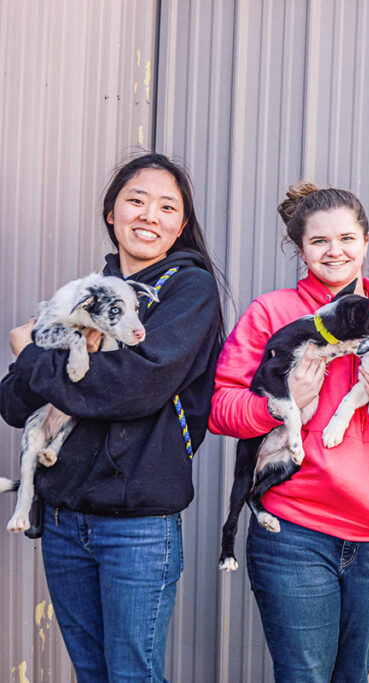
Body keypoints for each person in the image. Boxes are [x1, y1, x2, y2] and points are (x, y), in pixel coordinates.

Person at [209, 182, 369, 682]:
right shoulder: (272, 314)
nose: (335, 252)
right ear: (300, 248)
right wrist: (280, 406)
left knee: (354, 676)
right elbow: (221, 408)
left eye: (347, 238)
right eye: (319, 242)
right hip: (295, 533)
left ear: (367, 241)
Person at [0, 153, 225, 682]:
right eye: (136, 200)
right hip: (62, 517)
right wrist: (42, 367)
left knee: (132, 676)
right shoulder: (83, 294)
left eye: (167, 207)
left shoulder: (190, 291)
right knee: (91, 673)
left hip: (138, 525)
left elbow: (133, 387)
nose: (150, 215)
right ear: (112, 213)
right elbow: (12, 405)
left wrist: (30, 355)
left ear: (181, 225)